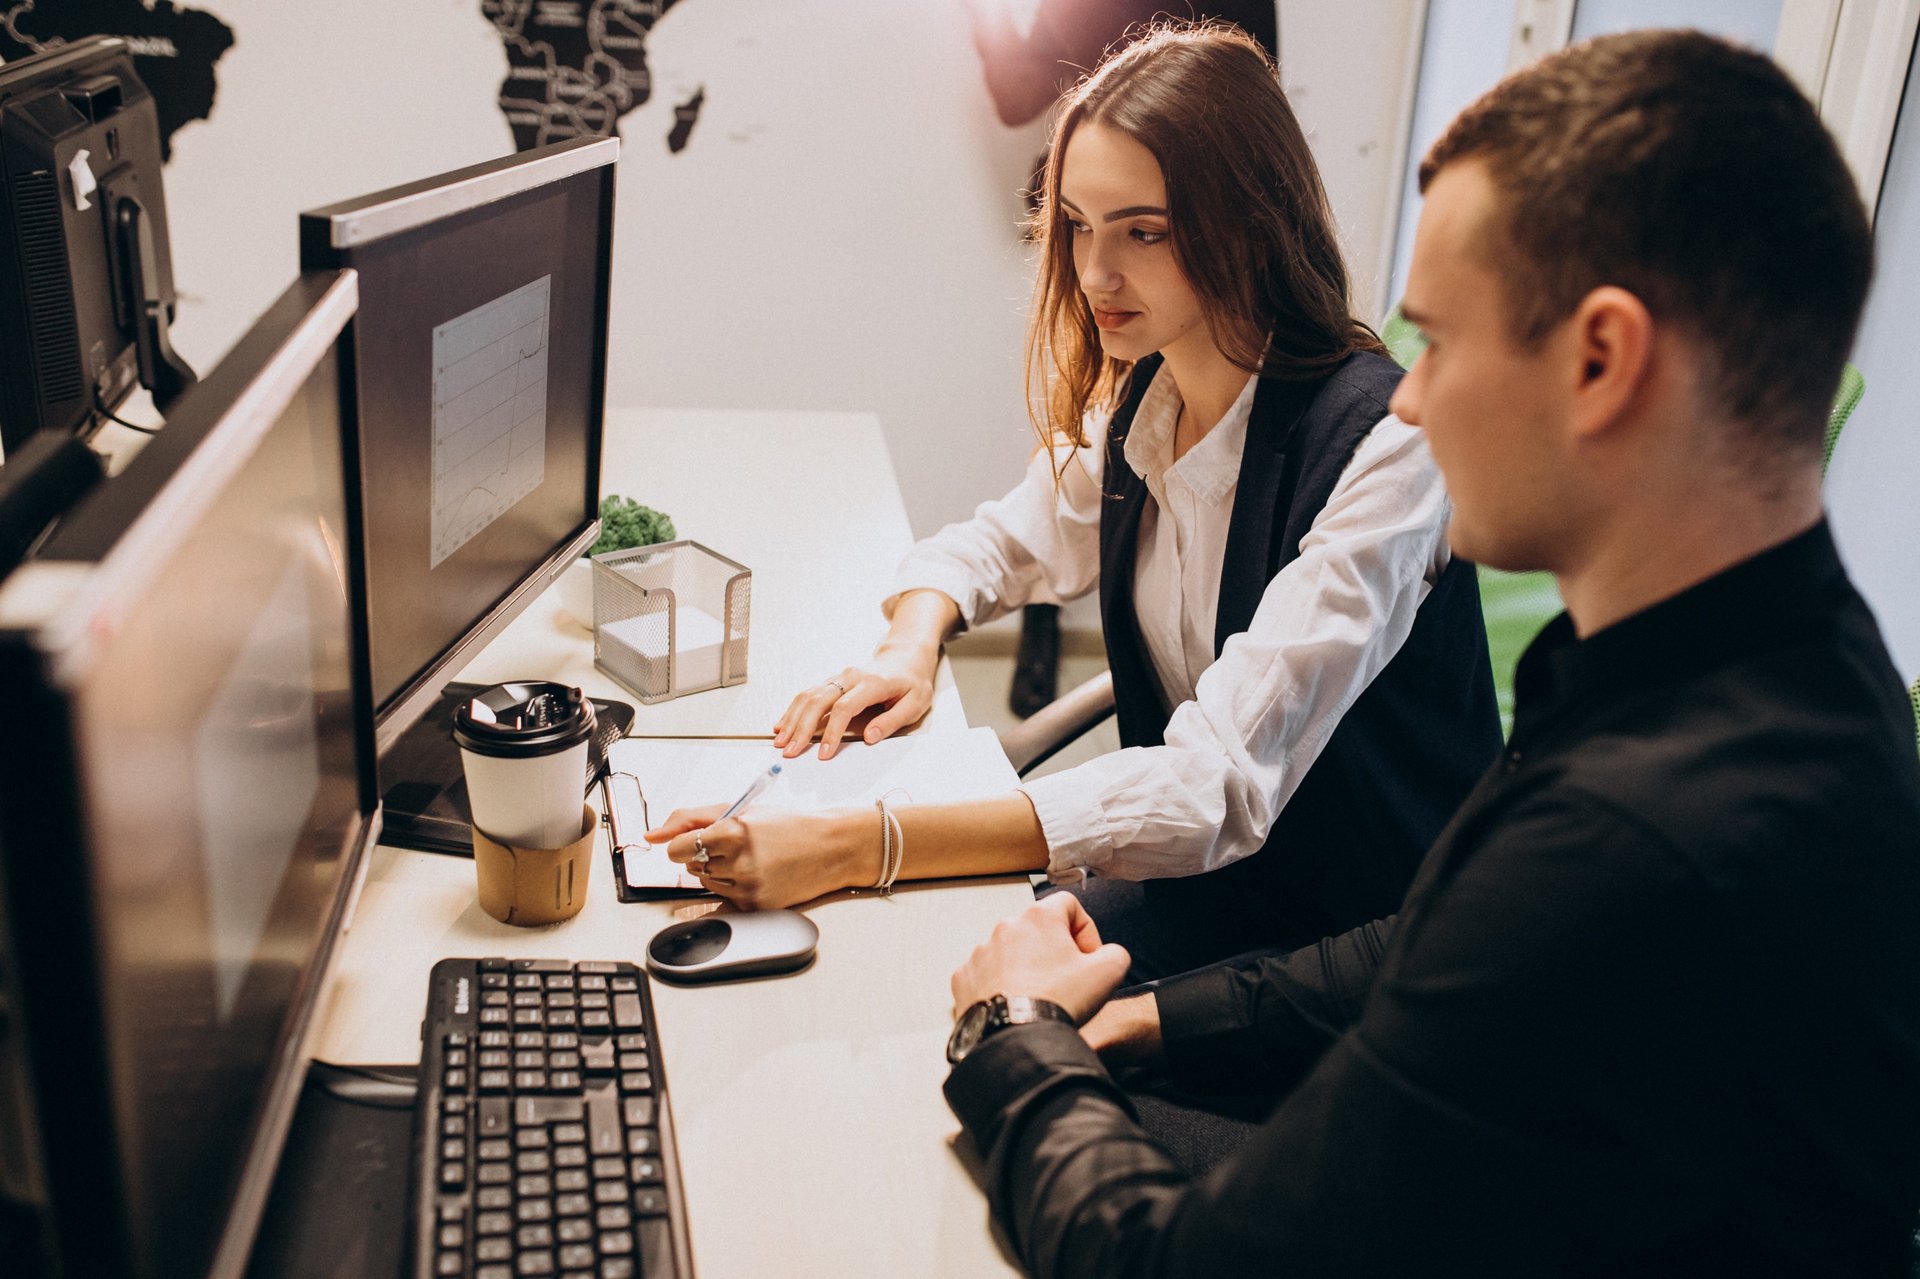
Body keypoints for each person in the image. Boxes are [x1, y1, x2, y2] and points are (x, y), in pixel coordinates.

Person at [940, 29, 1920, 1276]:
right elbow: (1409, 947)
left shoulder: (1633, 845)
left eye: (1443, 343)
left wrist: (1014, 1034)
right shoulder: (1752, 670)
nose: (1406, 400)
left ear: (1602, 361)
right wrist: (1139, 1024)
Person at [646, 24, 1501, 979]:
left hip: (1355, 947)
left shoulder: (1382, 449)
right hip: (1211, 891)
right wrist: (909, 648)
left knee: (916, 965)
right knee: (885, 956)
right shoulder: (1153, 401)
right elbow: (992, 548)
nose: (1095, 274)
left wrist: (863, 842)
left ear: (1251, 223)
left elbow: (1211, 787)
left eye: (1144, 231)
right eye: (1078, 226)